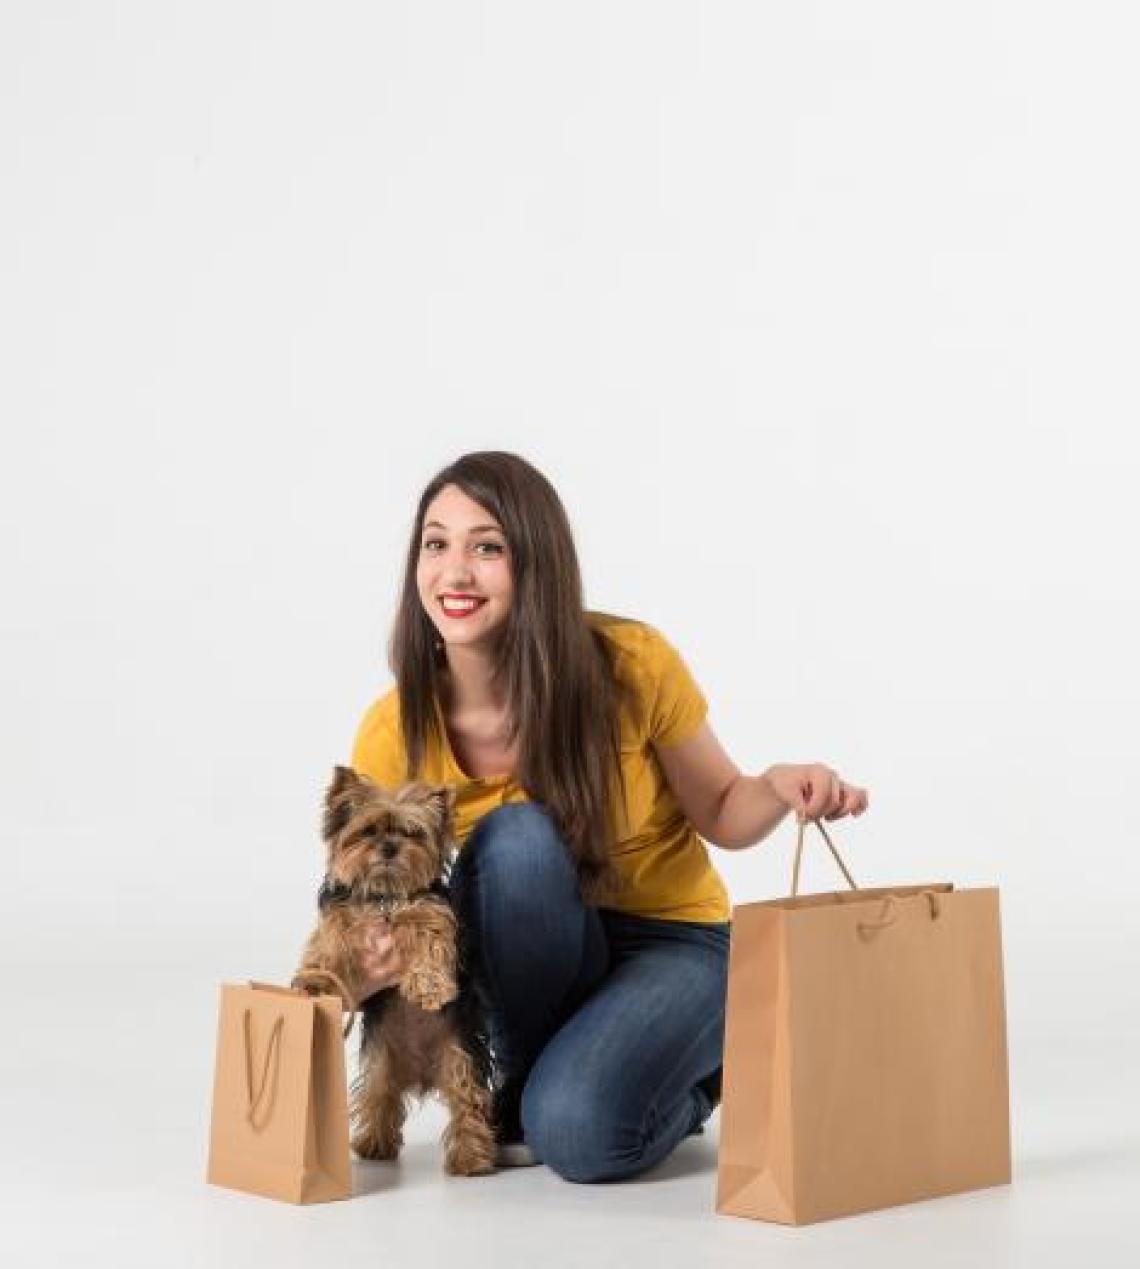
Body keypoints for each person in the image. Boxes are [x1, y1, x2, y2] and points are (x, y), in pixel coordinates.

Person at [345, 450, 869, 1182]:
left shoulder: (631, 663)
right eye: (437, 544)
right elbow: (367, 899)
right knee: (520, 842)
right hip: (528, 963)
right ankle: (538, 1073)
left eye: (487, 546)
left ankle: (696, 1078)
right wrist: (350, 975)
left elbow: (721, 809)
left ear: (537, 563)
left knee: (582, 1139)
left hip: (675, 943)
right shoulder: (395, 728)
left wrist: (780, 786)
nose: (455, 572)